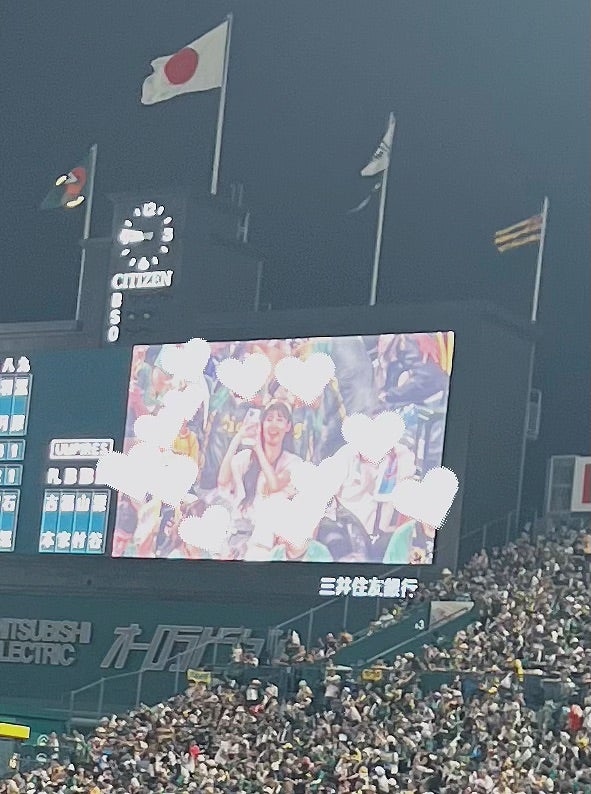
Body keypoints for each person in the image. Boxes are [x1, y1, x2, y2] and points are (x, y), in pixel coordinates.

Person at [217, 400, 301, 527]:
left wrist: (258, 448)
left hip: (270, 529)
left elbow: (274, 485)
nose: (273, 425)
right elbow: (222, 481)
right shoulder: (246, 458)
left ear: (288, 426)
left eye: (279, 420)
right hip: (240, 526)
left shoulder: (293, 462)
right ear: (261, 425)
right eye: (269, 419)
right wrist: (238, 438)